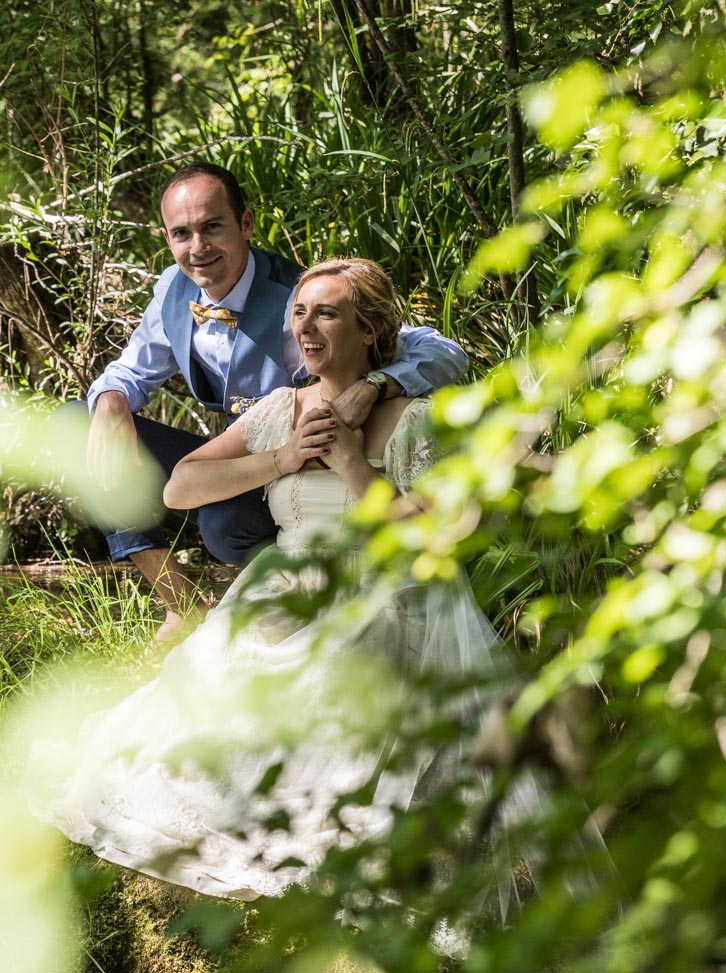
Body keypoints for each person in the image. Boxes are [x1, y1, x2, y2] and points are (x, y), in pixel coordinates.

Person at [29, 259, 506, 901]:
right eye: (300, 313)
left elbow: (428, 535)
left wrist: (346, 462)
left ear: (369, 329)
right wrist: (283, 457)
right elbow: (179, 485)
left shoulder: (414, 417)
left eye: (327, 313)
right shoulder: (283, 406)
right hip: (282, 583)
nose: (306, 327)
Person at [77, 163, 467, 638]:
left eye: (212, 227)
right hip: (245, 453)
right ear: (167, 237)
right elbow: (132, 368)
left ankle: (298, 580)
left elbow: (443, 351)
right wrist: (114, 396)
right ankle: (179, 601)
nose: (197, 248)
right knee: (79, 421)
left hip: (304, 469)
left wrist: (376, 386)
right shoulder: (172, 291)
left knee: (222, 523)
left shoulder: (300, 301)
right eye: (182, 234)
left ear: (246, 224)